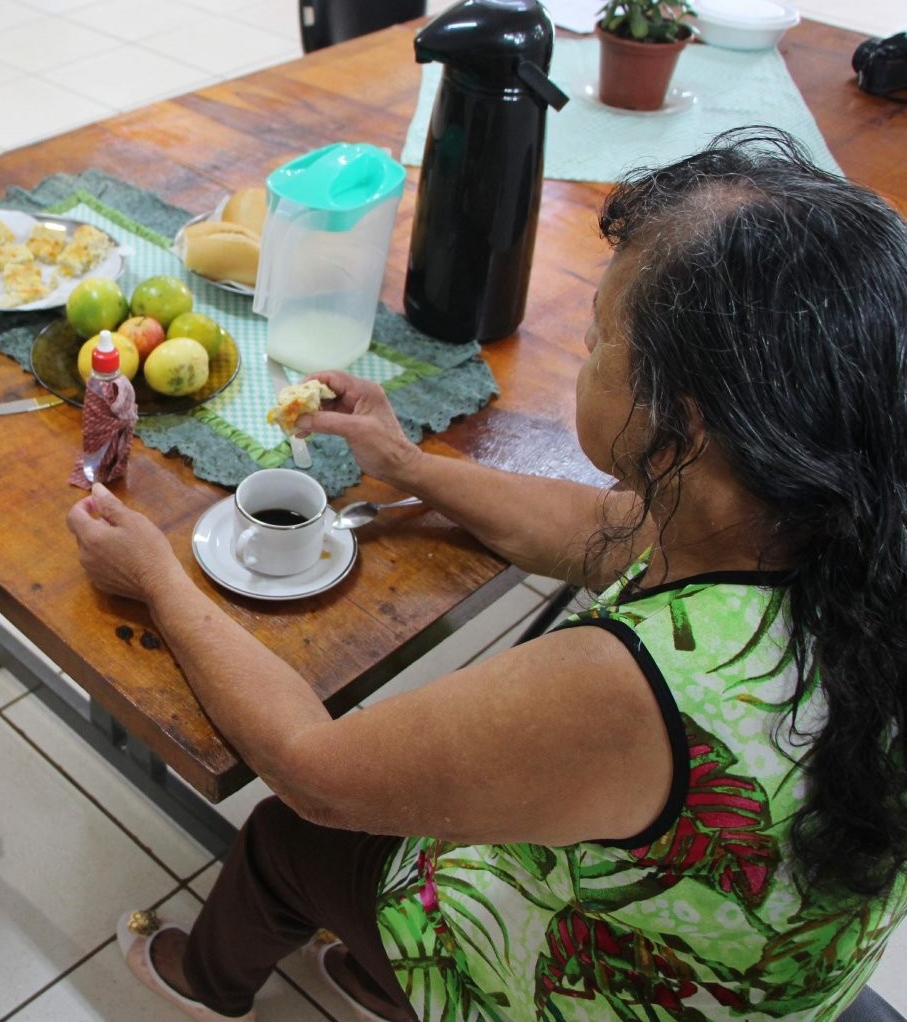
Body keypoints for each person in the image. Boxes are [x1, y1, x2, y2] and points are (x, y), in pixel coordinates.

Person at [67, 127, 907, 1019]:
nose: (582, 355)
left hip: (590, 989)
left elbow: (315, 770)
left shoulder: (633, 689)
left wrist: (157, 579)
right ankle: (370, 971)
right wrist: (408, 462)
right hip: (755, 973)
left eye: (595, 341)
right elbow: (597, 527)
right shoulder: (824, 512)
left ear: (683, 423)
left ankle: (204, 984)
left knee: (286, 835)